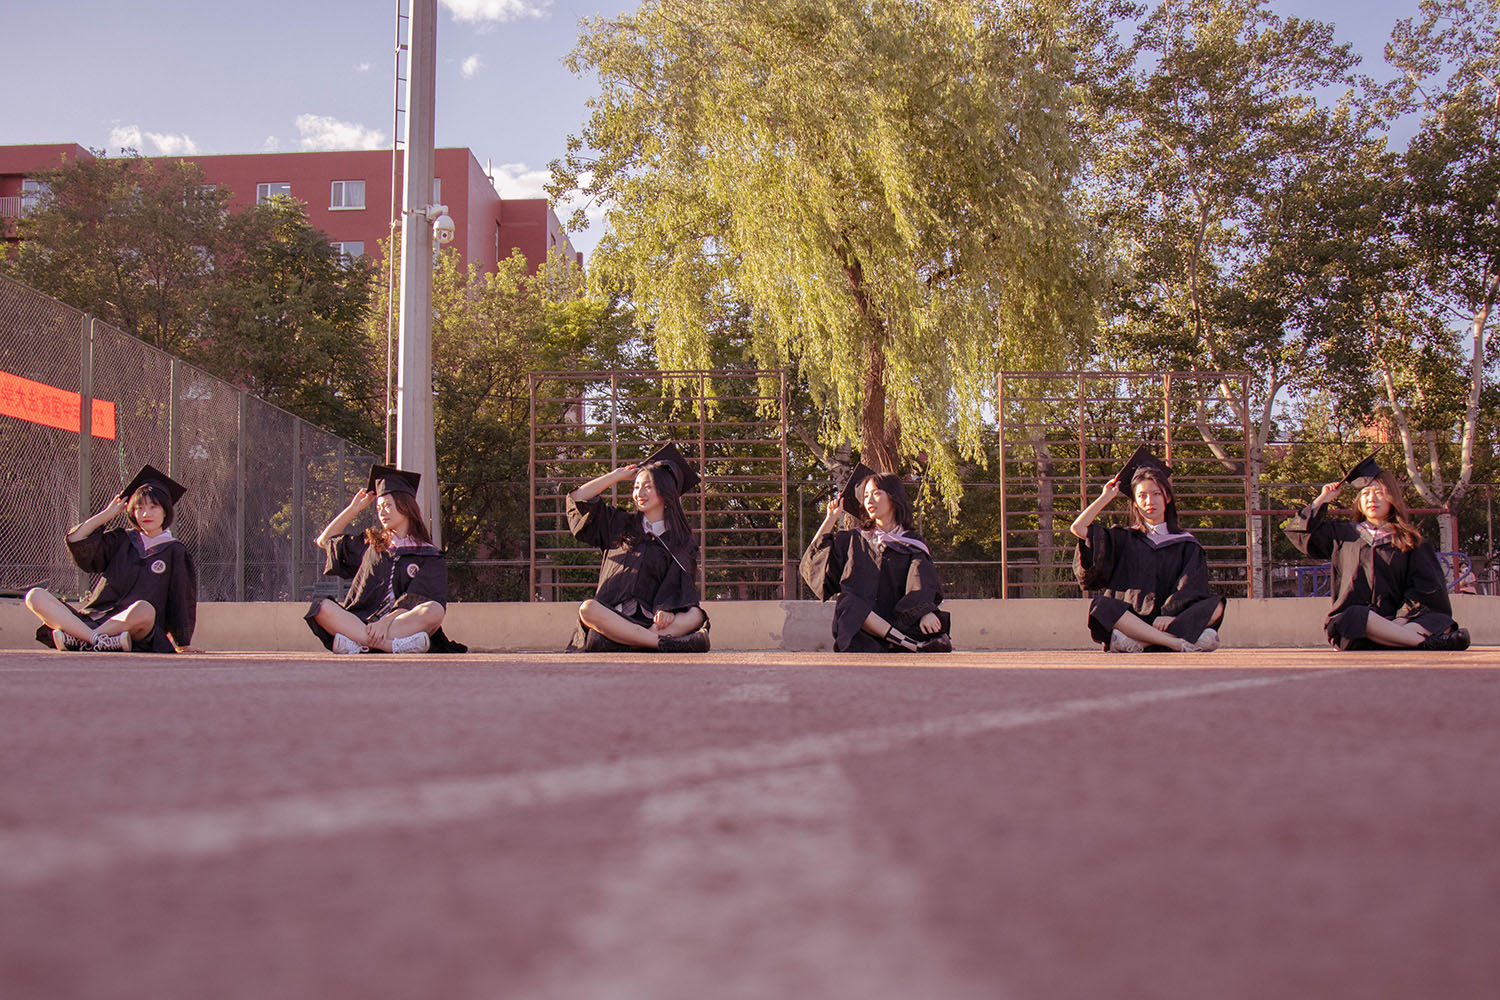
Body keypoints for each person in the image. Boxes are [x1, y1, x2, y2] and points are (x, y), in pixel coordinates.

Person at [1283, 454, 1469, 651]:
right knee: (1353, 616)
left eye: (1379, 492)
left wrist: (1399, 620)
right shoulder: (1343, 535)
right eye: (1365, 494)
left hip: (1402, 621)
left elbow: (1424, 589)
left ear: (1392, 497)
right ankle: (1423, 643)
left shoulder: (1411, 541)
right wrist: (1322, 499)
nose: (1371, 499)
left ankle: (1398, 637)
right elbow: (1298, 533)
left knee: (1438, 619)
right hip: (1360, 625)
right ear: (1358, 502)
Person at [26, 464, 198, 653]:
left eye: (153, 507)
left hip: (132, 627)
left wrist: (183, 643)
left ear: (165, 510)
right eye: (139, 507)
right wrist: (108, 514)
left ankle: (80, 640)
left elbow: (181, 599)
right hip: (94, 620)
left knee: (144, 609)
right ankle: (94, 639)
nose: (145, 514)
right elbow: (76, 539)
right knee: (35, 596)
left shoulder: (175, 551)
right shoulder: (122, 540)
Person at [1070, 445, 1224, 653]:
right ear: (1135, 502)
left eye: (1156, 494)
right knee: (1101, 606)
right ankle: (1176, 643)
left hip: (1168, 619)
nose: (1149, 501)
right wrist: (1106, 496)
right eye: (1142, 496)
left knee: (1217, 606)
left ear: (1167, 498)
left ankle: (1140, 643)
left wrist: (1169, 613)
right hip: (1132, 618)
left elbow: (1190, 586)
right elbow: (1078, 528)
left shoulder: (1185, 543)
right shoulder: (1123, 538)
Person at [566, 442, 711, 652]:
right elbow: (579, 499)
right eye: (636, 487)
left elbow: (680, 584)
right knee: (588, 609)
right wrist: (616, 476)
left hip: (651, 621)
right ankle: (661, 644)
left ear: (666, 491)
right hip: (613, 617)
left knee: (695, 615)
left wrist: (667, 608)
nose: (639, 493)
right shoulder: (618, 524)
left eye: (648, 486)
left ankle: (626, 642)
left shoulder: (680, 541)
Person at [306, 465, 464, 654]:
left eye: (388, 505)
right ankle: (392, 646)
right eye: (379, 507)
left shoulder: (428, 555)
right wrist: (354, 509)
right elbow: (324, 541)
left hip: (399, 623)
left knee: (434, 610)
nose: (382, 512)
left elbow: (416, 598)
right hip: (363, 621)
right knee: (322, 607)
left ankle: (361, 645)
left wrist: (384, 623)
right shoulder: (371, 545)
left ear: (405, 506)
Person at [800, 463, 953, 653]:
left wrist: (925, 611)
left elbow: (920, 581)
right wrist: (830, 518)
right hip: (862, 630)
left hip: (900, 619)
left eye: (876, 493)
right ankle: (911, 645)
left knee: (933, 625)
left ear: (893, 497)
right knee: (851, 602)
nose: (869, 500)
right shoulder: (853, 539)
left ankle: (904, 640)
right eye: (865, 496)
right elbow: (814, 561)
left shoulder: (912, 543)